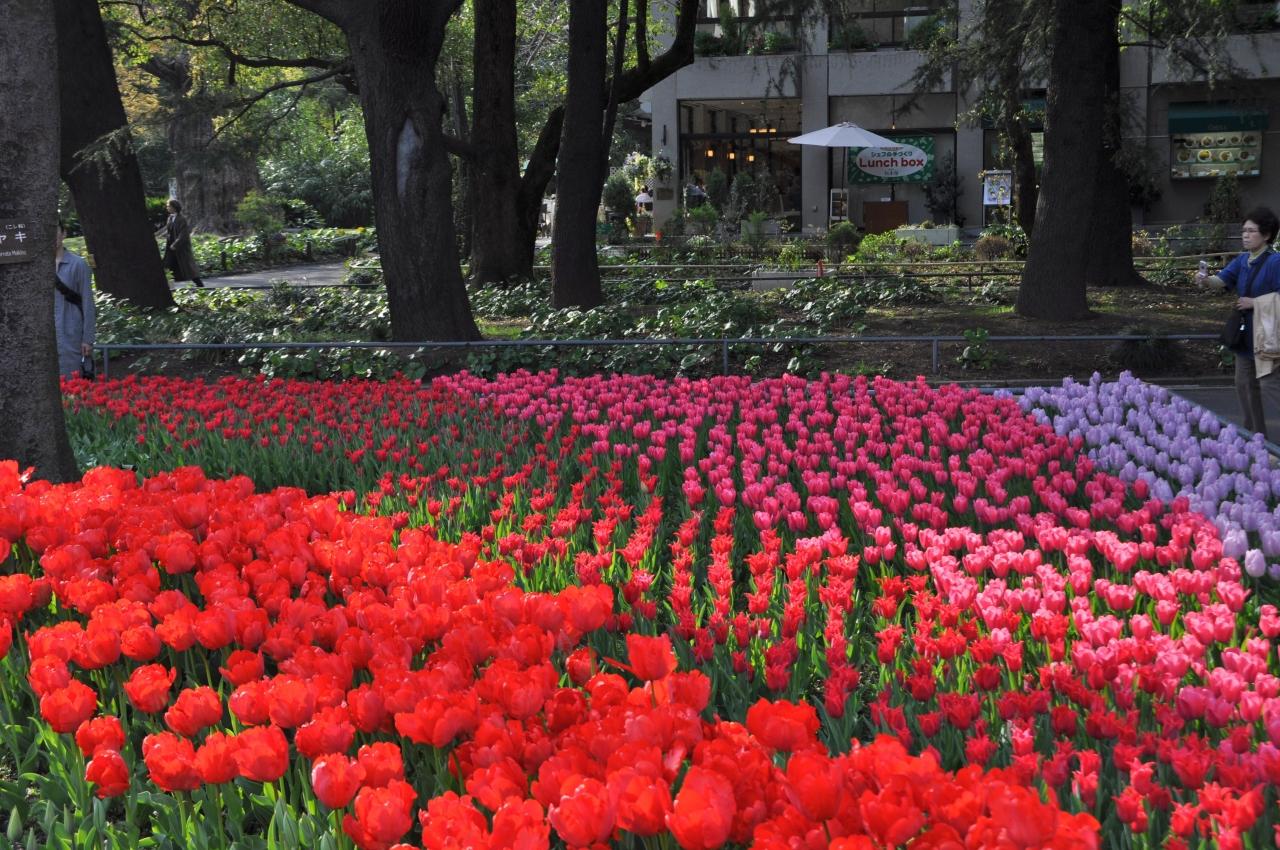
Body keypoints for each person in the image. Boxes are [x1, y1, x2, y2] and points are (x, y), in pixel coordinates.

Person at [1197, 205, 1280, 439]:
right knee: (1244, 385)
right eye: (1244, 230)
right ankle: (1255, 436)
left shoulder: (1275, 262)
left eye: (1251, 231)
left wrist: (1255, 303)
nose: (1245, 235)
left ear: (1266, 235)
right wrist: (1205, 280)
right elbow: (1222, 280)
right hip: (1245, 336)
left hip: (1269, 335)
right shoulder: (1242, 260)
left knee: (1269, 385)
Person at [54, 222, 95, 379]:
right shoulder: (38, 268)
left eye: (55, 231)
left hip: (72, 334)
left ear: (63, 233)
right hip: (46, 337)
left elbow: (88, 302)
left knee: (74, 382)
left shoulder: (78, 264)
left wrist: (88, 339)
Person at [157, 199, 204, 288]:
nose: (167, 207)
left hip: (181, 247)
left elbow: (183, 234)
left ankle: (199, 284)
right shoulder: (170, 218)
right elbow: (169, 230)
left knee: (187, 267)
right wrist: (159, 236)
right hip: (170, 247)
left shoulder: (181, 219)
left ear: (174, 207)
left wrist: (175, 244)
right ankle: (165, 286)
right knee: (166, 265)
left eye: (169, 206)